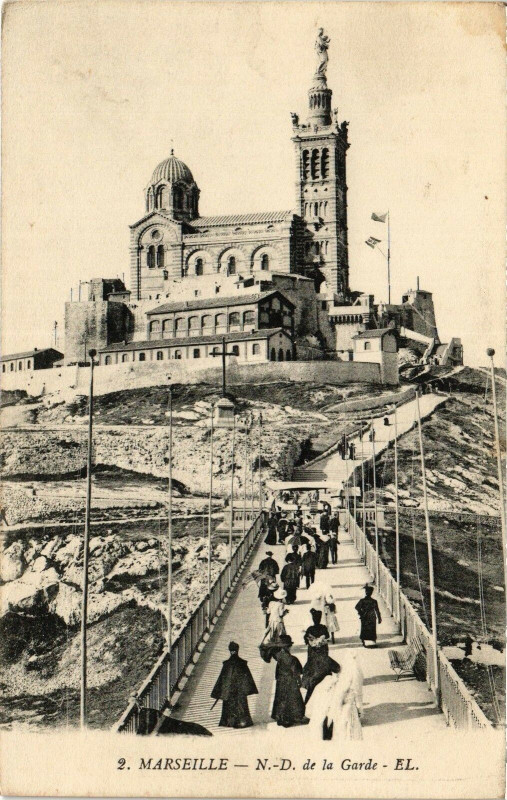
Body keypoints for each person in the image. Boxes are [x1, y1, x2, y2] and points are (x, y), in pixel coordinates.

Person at [306, 653, 363, 741]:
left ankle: (326, 732)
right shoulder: (336, 681)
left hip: (327, 700)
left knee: (325, 714)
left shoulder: (326, 681)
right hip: (336, 702)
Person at [211, 642, 258, 728]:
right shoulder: (242, 663)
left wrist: (220, 692)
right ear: (237, 650)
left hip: (229, 691)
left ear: (230, 651)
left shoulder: (227, 664)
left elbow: (222, 679)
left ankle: (229, 722)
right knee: (241, 705)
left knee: (229, 705)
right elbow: (247, 677)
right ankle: (243, 721)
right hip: (240, 690)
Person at [302, 609, 340, 703]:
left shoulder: (310, 629)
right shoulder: (323, 627)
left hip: (313, 652)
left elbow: (306, 640)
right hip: (322, 651)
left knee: (313, 666)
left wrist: (313, 641)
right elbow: (327, 636)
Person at [271, 635, 309, 727]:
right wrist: (299, 682)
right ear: (288, 647)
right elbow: (296, 672)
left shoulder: (278, 656)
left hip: (281, 681)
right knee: (294, 699)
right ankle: (296, 717)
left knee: (281, 698)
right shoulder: (292, 659)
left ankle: (281, 718)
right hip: (290, 681)